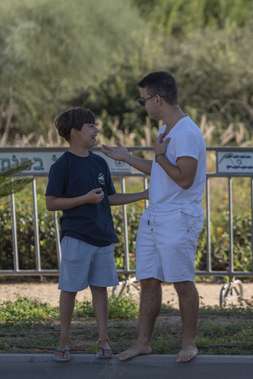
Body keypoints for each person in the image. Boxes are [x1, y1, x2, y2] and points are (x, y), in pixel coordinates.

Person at [100, 71, 206, 363]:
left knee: (182, 281)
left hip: (178, 218)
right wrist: (128, 158)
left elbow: (184, 179)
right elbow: (163, 170)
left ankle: (188, 344)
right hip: (155, 215)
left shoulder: (184, 133)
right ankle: (143, 343)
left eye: (143, 100)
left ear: (158, 99)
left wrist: (159, 156)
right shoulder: (166, 130)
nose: (143, 105)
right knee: (147, 280)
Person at [46, 108, 147, 362]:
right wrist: (85, 199)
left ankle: (104, 339)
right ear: (74, 132)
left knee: (100, 288)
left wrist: (143, 195)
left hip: (103, 237)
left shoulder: (99, 162)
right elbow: (52, 203)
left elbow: (109, 197)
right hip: (76, 236)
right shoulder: (62, 165)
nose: (96, 130)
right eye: (91, 126)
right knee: (69, 289)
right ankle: (65, 340)